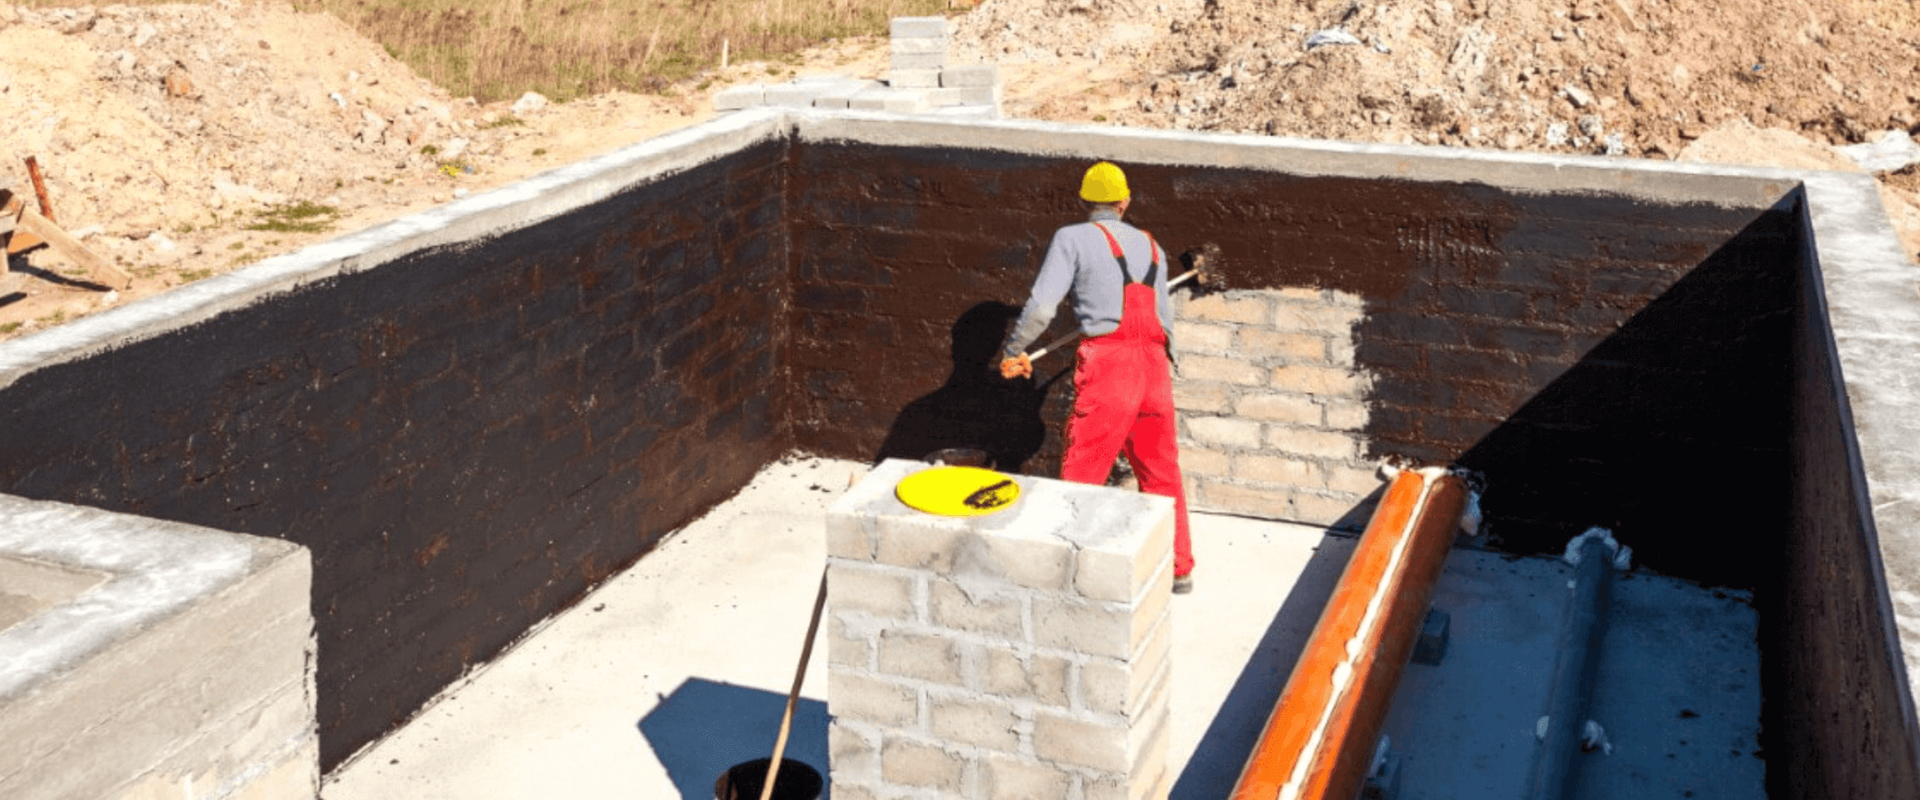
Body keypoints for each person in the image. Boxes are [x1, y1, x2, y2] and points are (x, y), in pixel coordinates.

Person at [998, 161, 1195, 594]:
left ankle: (1068, 571)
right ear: (1125, 201)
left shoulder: (1071, 238)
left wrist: (1014, 350)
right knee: (1161, 472)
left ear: (1084, 201)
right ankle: (1180, 569)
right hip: (1155, 367)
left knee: (1085, 470)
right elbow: (1165, 316)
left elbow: (1042, 308)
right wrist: (1162, 365)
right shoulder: (1153, 246)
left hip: (1110, 366)